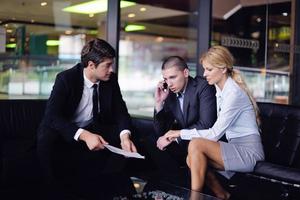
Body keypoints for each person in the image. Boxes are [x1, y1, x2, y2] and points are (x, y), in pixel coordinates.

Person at [161, 46, 265, 199]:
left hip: (249, 152)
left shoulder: (233, 93)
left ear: (223, 69)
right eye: (204, 69)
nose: (204, 74)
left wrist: (179, 133)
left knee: (196, 144)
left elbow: (215, 133)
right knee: (192, 158)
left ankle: (194, 197)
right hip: (234, 147)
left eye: (209, 69)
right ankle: (222, 195)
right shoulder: (219, 89)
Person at [37, 38, 137, 198]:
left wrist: (125, 137)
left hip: (94, 129)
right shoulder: (66, 78)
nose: (111, 69)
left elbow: (121, 111)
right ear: (91, 65)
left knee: (131, 138)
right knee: (48, 143)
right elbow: (52, 116)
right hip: (61, 132)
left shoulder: (110, 79)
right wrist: (84, 135)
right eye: (107, 65)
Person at [153, 56, 217, 172]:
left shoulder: (203, 87)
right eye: (166, 79)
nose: (169, 83)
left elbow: (206, 124)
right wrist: (159, 103)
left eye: (173, 77)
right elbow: (160, 132)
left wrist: (176, 137)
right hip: (185, 143)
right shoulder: (170, 93)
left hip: (204, 142)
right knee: (151, 141)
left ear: (186, 73)